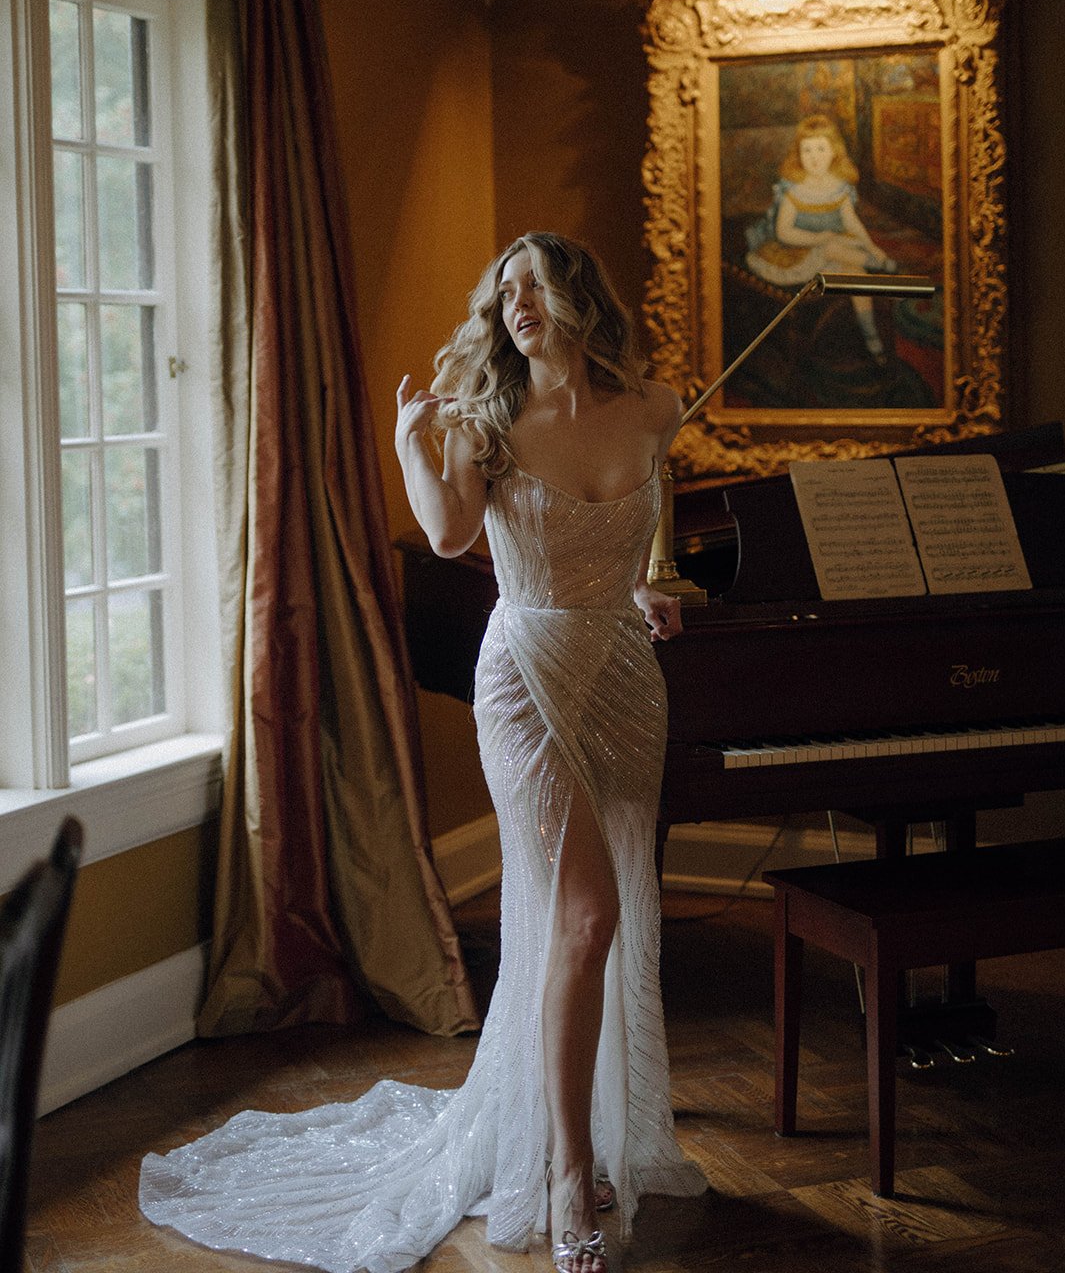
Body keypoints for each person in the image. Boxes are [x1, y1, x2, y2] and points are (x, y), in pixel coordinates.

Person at [139, 231, 704, 1273]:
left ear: (578, 296)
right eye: (504, 292)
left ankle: (590, 1133)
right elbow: (449, 539)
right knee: (584, 916)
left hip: (624, 677)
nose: (517, 303)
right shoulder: (486, 422)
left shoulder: (657, 408)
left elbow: (625, 545)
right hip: (524, 676)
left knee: (600, 913)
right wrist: (408, 438)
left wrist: (644, 591)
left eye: (535, 285)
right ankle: (568, 1173)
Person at [745, 114, 898, 359]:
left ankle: (871, 336)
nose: (814, 157)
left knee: (856, 272)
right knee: (833, 246)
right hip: (793, 253)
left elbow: (851, 222)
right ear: (798, 154)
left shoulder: (838, 185)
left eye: (820, 149)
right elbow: (784, 233)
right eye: (807, 150)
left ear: (833, 152)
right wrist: (820, 239)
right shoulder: (794, 187)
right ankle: (878, 265)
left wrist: (872, 246)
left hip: (831, 247)